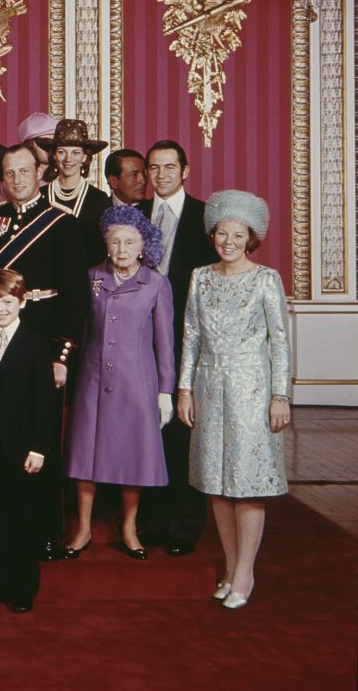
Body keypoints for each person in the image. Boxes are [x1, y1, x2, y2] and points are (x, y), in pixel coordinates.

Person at [0, 144, 87, 562]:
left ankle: (48, 533)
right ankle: (4, 530)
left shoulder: (62, 224)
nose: (17, 179)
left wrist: (62, 355)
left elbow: (75, 297)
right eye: (9, 172)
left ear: (40, 173)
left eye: (24, 171)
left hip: (40, 343)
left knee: (40, 440)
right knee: (0, 436)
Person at [177, 190, 290, 610]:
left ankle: (245, 572)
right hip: (208, 388)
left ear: (251, 237)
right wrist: (185, 389)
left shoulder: (266, 279)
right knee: (216, 486)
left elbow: (279, 342)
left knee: (247, 484)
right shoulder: (200, 278)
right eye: (221, 233)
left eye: (237, 234)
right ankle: (229, 567)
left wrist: (281, 395)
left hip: (252, 392)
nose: (228, 241)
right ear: (213, 235)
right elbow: (190, 337)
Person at [63, 205, 175, 561]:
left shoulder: (156, 283)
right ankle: (82, 529)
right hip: (93, 379)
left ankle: (129, 528)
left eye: (130, 242)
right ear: (106, 245)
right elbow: (79, 331)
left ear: (143, 246)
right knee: (84, 454)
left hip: (136, 384)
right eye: (115, 242)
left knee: (134, 456)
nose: (122, 249)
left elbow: (165, 343)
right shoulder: (91, 277)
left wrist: (165, 392)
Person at [137, 139, 216, 556]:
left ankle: (185, 525)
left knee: (184, 431)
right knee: (148, 429)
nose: (162, 175)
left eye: (170, 167)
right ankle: (151, 520)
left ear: (185, 171)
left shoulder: (206, 218)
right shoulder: (133, 218)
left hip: (188, 338)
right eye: (154, 168)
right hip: (141, 340)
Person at [0, 269, 57, 614]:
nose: (0, 309)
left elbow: (45, 403)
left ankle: (23, 588)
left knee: (25, 517)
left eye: (6, 302)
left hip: (24, 448)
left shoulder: (35, 342)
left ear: (21, 302)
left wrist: (39, 448)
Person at [38, 119, 112, 264]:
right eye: (61, 152)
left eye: (76, 153)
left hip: (85, 278)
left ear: (84, 157)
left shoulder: (98, 199)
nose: (68, 159)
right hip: (45, 280)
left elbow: (101, 250)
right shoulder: (39, 195)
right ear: (54, 155)